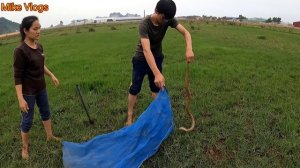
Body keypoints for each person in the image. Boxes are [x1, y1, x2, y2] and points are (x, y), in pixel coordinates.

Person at [126, 0, 194, 125]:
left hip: (157, 57)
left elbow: (186, 33)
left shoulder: (168, 19)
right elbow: (146, 50)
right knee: (134, 88)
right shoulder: (144, 24)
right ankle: (129, 116)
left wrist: (189, 48)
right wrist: (157, 73)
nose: (166, 21)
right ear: (157, 11)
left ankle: (158, 115)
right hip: (141, 59)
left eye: (168, 19)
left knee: (156, 88)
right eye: (164, 18)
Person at [13, 16, 61, 160]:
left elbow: (41, 65)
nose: (38, 31)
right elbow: (17, 77)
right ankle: (25, 148)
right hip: (28, 92)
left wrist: (51, 75)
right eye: (35, 29)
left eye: (39, 28)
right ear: (25, 31)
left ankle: (50, 136)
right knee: (27, 120)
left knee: (46, 112)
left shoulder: (39, 46)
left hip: (41, 88)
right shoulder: (20, 51)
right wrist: (20, 98)